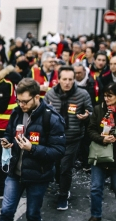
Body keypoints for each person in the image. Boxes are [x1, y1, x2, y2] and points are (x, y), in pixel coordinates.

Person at [0, 78, 66, 221]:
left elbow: (58, 151)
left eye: (25, 101)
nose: (21, 105)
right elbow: (9, 131)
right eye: (19, 101)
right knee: (6, 212)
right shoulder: (16, 112)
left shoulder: (51, 118)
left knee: (32, 214)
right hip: (15, 172)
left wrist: (32, 149)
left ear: (37, 98)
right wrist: (6, 140)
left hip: (38, 175)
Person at [44, 65, 93, 210]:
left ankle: (63, 195)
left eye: (70, 79)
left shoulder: (82, 94)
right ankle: (61, 185)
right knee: (57, 167)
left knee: (66, 168)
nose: (67, 82)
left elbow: (90, 111)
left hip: (73, 137)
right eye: (64, 79)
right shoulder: (50, 94)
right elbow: (43, 113)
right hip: (54, 138)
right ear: (58, 79)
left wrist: (86, 116)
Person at [0, 61, 22, 200]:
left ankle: (4, 187)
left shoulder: (4, 83)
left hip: (3, 126)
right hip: (0, 124)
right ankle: (4, 184)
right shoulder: (4, 82)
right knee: (1, 157)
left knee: (3, 159)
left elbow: (0, 106)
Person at [87, 82, 116, 221]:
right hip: (99, 154)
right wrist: (102, 139)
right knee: (96, 187)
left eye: (110, 96)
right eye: (105, 96)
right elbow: (90, 130)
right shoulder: (98, 109)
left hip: (115, 156)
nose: (106, 99)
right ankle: (95, 214)